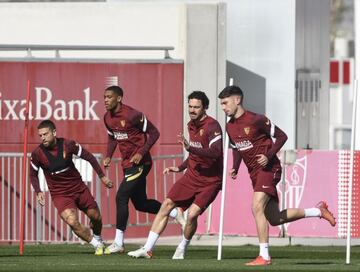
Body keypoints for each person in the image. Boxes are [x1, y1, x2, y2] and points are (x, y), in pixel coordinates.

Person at [218, 85, 336, 266]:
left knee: (256, 206)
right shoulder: (230, 126)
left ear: (237, 100)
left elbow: (282, 136)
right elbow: (236, 149)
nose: (223, 107)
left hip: (270, 168)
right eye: (221, 104)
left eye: (225, 103)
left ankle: (264, 256)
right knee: (274, 219)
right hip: (254, 174)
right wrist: (235, 166)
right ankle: (318, 211)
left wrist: (268, 155)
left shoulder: (256, 119)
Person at [127, 90, 223, 259]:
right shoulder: (190, 125)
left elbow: (216, 152)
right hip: (191, 177)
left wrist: (189, 148)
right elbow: (195, 155)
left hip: (210, 181)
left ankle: (182, 247)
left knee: (192, 215)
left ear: (205, 108)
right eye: (190, 107)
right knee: (166, 205)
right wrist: (179, 168)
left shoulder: (212, 126)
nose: (192, 110)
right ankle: (147, 249)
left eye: (196, 107)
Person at [103, 85, 185, 254]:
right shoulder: (107, 118)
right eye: (104, 97)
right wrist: (108, 155)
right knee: (141, 204)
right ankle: (175, 212)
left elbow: (154, 133)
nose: (105, 100)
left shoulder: (132, 115)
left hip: (141, 164)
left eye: (109, 97)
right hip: (127, 164)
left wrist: (141, 153)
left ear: (119, 98)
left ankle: (119, 243)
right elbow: (112, 138)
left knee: (121, 196)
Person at [30, 120, 112, 255]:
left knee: (96, 217)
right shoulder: (37, 154)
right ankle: (96, 244)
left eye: (45, 134)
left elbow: (89, 157)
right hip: (60, 194)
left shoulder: (68, 144)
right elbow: (33, 175)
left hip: (78, 188)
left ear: (54, 133)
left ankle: (98, 237)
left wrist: (102, 176)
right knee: (72, 221)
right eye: (40, 135)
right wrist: (38, 191)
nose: (43, 137)